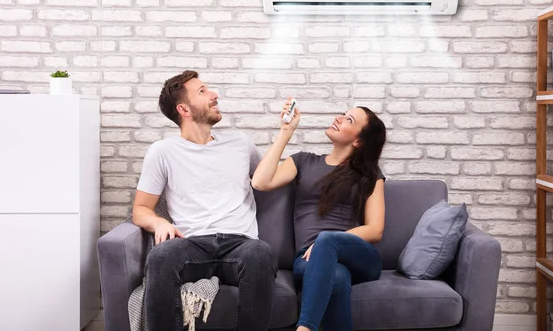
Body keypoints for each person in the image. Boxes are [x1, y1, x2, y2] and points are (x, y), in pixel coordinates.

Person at [132, 70, 277, 331]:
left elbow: (267, 179)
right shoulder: (162, 152)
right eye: (202, 91)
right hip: (192, 244)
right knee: (160, 257)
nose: (214, 95)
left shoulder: (240, 143)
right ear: (184, 109)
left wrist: (287, 135)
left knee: (261, 253)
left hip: (240, 243)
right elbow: (141, 209)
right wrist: (158, 223)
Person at [252, 98, 387, 331]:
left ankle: (305, 328)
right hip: (308, 261)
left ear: (357, 140)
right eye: (343, 114)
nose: (339, 118)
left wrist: (330, 242)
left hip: (359, 258)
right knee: (338, 277)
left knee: (327, 239)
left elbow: (375, 230)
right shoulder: (303, 161)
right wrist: (286, 132)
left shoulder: (369, 174)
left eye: (349, 119)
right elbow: (261, 182)